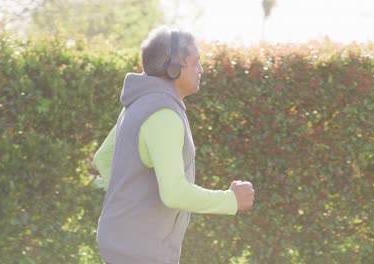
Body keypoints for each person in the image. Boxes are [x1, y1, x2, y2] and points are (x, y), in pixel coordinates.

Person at [94, 26, 255, 264]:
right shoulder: (163, 115)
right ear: (173, 67)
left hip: (120, 247)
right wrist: (230, 199)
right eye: (195, 62)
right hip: (142, 254)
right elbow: (174, 193)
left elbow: (103, 159)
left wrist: (133, 201)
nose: (201, 69)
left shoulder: (139, 105)